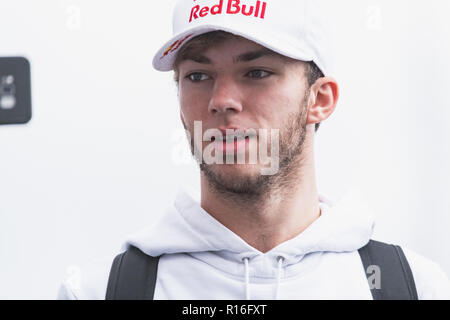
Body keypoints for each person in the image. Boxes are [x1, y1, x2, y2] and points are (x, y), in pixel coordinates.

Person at [58, 0, 450, 300]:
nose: (222, 100)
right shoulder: (100, 291)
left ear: (321, 98)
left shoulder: (415, 286)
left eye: (257, 72)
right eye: (198, 75)